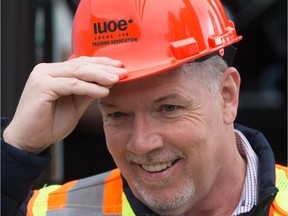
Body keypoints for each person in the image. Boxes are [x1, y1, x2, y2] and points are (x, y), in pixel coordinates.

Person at [1, 0, 287, 215]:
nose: (141, 143)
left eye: (168, 108)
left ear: (227, 96)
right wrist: (16, 149)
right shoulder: (62, 210)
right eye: (117, 114)